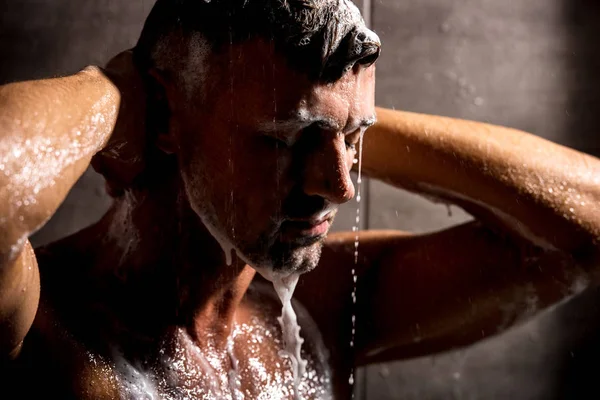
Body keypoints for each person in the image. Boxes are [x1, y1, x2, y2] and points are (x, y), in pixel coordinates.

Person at [1, 0, 599, 398]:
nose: (339, 185)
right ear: (162, 114)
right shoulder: (40, 322)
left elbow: (585, 233)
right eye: (283, 138)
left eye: (354, 141)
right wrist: (110, 97)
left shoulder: (320, 309)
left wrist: (337, 118)